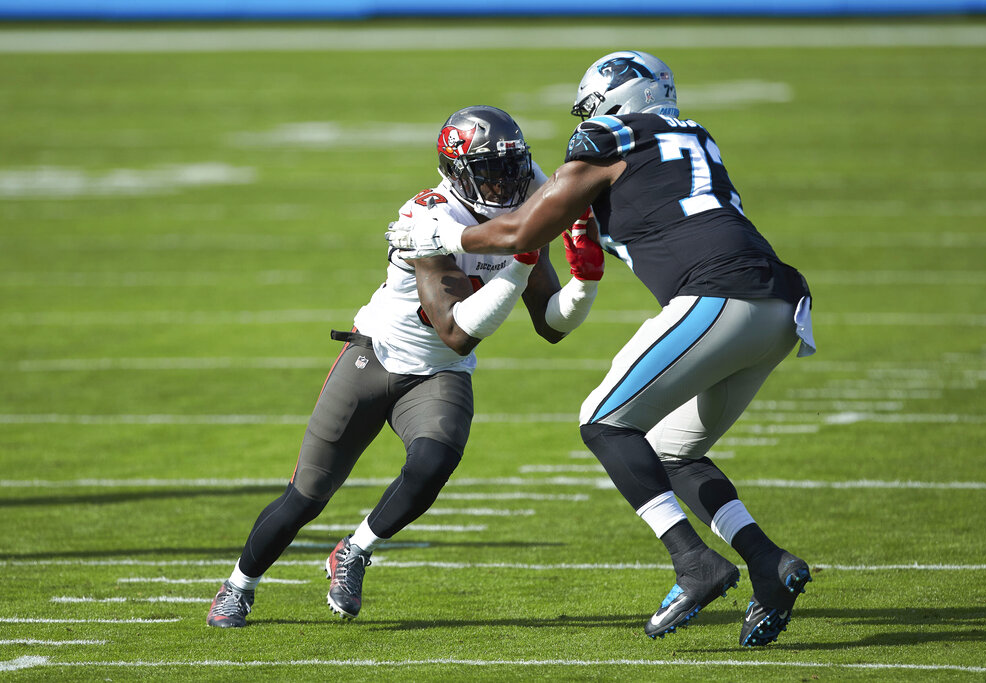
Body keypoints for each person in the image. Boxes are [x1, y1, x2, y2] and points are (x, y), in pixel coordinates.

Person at [386, 52, 816, 647]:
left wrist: (443, 234)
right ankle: (769, 565)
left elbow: (519, 233)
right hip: (783, 305)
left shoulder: (606, 138)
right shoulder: (691, 134)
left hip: (718, 294)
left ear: (615, 101)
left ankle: (694, 563)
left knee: (603, 421)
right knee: (675, 451)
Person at [207, 105, 604, 628]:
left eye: (511, 166)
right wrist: (523, 256)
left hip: (437, 374)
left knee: (433, 463)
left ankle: (355, 549)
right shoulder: (428, 216)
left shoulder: (529, 194)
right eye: (490, 169)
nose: (505, 181)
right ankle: (239, 585)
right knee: (307, 495)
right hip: (376, 357)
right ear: (458, 171)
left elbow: (550, 324)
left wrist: (586, 280)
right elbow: (457, 332)